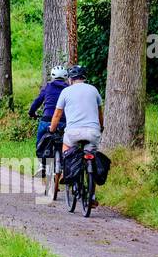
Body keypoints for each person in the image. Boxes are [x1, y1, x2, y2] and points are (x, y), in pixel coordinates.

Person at [50, 65, 104, 201]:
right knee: (91, 156)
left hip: (73, 132)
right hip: (93, 131)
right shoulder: (94, 90)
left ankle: (66, 173)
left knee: (66, 151)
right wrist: (101, 127)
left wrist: (52, 128)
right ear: (84, 78)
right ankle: (92, 196)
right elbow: (100, 113)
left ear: (70, 79)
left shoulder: (66, 92)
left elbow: (57, 115)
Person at [29, 66, 69, 175]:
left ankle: (42, 165)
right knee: (66, 141)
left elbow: (37, 101)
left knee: (41, 140)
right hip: (64, 121)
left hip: (47, 119)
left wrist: (31, 113)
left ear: (52, 76)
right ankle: (64, 165)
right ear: (66, 77)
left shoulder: (47, 87)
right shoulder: (69, 89)